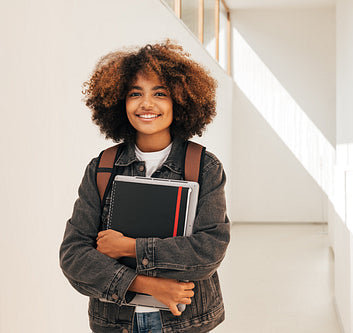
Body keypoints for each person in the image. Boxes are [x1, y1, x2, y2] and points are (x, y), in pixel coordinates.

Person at [60, 39, 230, 333]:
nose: (147, 104)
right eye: (135, 93)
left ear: (180, 100)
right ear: (119, 102)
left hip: (184, 321)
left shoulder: (204, 167)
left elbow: (208, 251)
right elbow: (74, 256)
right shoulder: (101, 168)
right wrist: (146, 284)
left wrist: (127, 247)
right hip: (116, 322)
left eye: (160, 93)